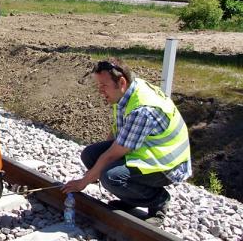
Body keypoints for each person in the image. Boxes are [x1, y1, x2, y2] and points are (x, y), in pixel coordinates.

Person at [62, 58, 192, 227]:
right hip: (146, 150)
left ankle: (158, 201)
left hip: (168, 165)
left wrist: (84, 182)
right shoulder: (127, 92)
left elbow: (112, 156)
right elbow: (117, 134)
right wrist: (94, 169)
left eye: (103, 86)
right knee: (91, 155)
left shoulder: (143, 110)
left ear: (121, 82)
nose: (100, 91)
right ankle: (132, 198)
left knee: (110, 177)